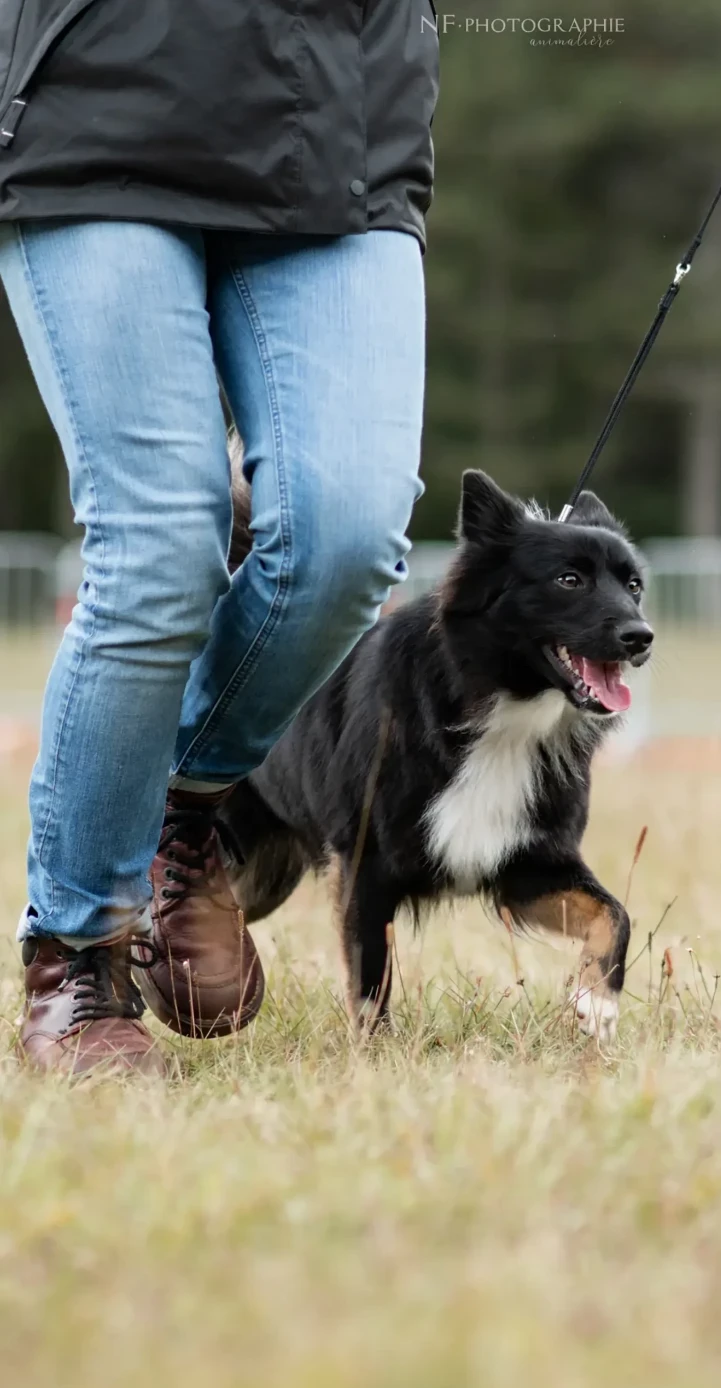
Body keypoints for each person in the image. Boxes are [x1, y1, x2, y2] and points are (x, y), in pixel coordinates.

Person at [0, 3, 439, 1073]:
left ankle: (185, 805)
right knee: (160, 544)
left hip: (336, 114)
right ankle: (79, 958)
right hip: (94, 97)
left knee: (346, 535)